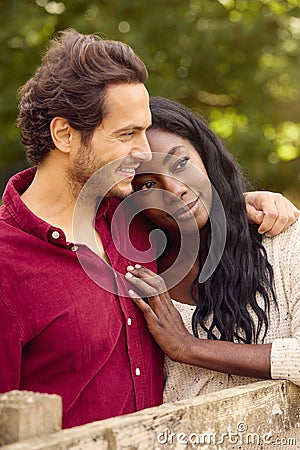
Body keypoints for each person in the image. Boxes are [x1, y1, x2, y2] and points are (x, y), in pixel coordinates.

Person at [0, 29, 297, 428]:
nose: (143, 154)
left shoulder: (132, 217)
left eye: (144, 129)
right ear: (64, 134)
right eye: (126, 134)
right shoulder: (7, 265)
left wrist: (242, 202)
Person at [125, 96, 300, 403]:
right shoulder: (139, 273)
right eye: (148, 185)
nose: (174, 189)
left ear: (205, 155)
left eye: (180, 163)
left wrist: (187, 346)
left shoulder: (282, 239)